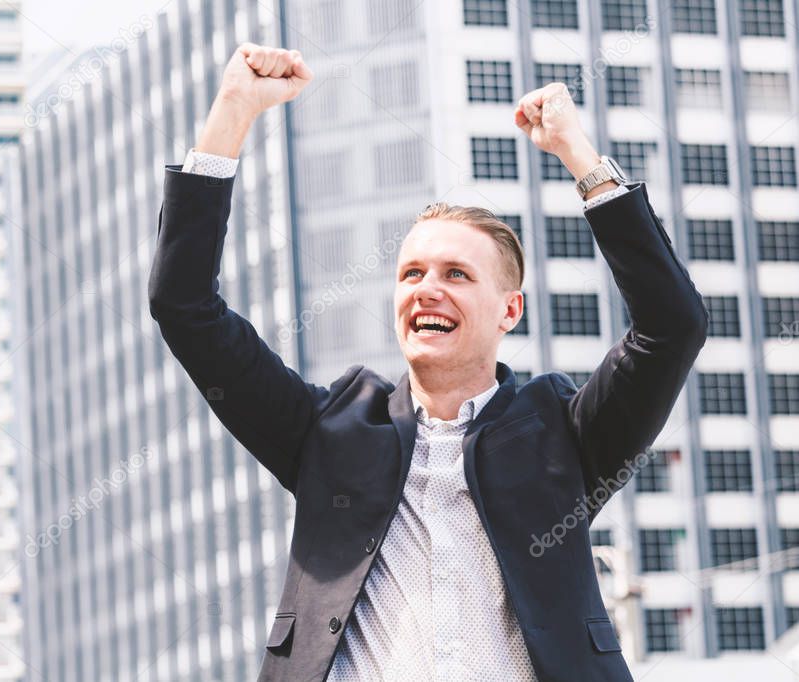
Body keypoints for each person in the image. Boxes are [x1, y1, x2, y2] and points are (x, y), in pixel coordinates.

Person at [148, 43, 708, 682]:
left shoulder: (565, 435)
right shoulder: (326, 432)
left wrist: (582, 160)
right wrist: (232, 114)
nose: (426, 288)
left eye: (457, 274)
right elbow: (184, 305)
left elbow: (672, 325)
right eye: (411, 272)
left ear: (509, 310)